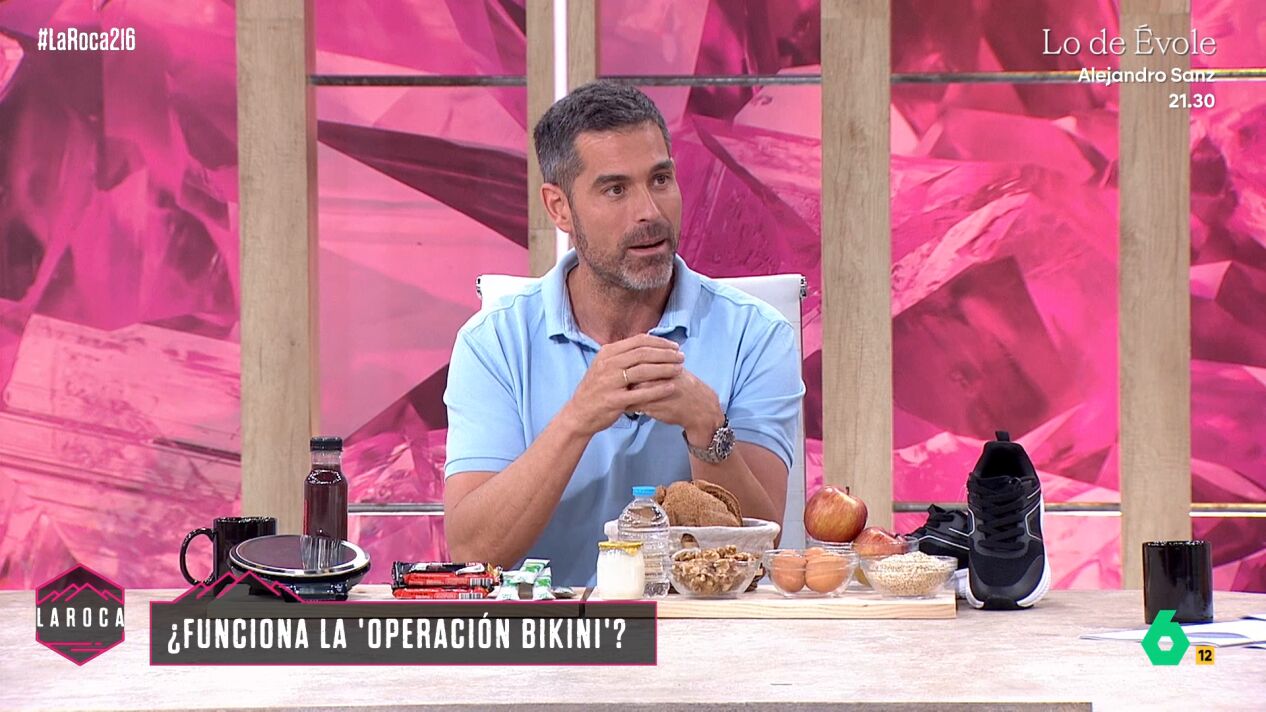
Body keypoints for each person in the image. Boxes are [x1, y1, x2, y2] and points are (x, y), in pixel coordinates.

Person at [442, 81, 805, 585]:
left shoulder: (757, 334)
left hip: (700, 626)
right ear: (559, 208)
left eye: (661, 179)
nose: (650, 212)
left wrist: (707, 427)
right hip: (553, 627)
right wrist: (578, 418)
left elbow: (763, 551)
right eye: (616, 189)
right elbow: (472, 551)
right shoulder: (493, 343)